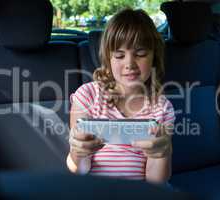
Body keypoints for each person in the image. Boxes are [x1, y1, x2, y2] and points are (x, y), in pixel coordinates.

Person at [66, 8, 175, 184]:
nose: (129, 64)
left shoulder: (162, 108)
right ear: (109, 60)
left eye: (140, 54)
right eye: (119, 55)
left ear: (154, 57)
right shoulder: (87, 96)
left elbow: (156, 181)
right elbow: (78, 169)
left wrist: (162, 154)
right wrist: (78, 151)